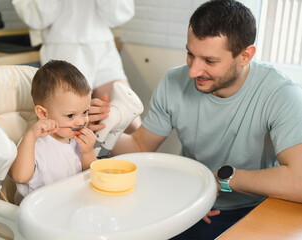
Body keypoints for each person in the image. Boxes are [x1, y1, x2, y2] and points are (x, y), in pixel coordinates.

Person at [109, 0, 302, 239]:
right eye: (190, 54)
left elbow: (299, 181)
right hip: (189, 202)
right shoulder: (173, 81)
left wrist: (223, 179)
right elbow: (140, 146)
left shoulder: (281, 94)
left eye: (210, 61)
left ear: (245, 55)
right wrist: (104, 129)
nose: (193, 71)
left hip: (255, 208)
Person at [12, 0, 140, 133]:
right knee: (75, 130)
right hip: (64, 47)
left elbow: (120, 14)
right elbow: (35, 17)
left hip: (103, 46)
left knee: (130, 123)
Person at [9, 60, 97, 205]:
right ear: (43, 113)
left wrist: (88, 152)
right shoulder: (33, 144)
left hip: (70, 207)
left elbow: (92, 175)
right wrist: (31, 135)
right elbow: (20, 176)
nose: (81, 122)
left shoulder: (77, 141)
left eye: (85, 112)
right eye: (71, 115)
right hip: (37, 215)